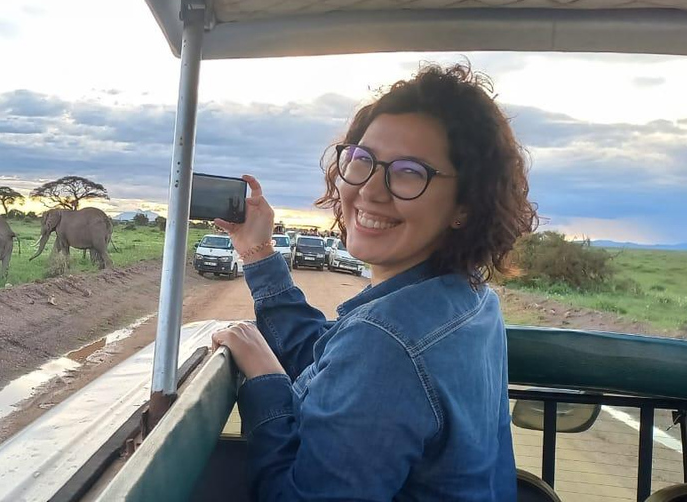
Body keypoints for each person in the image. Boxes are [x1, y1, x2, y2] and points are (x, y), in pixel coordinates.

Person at [212, 62, 538, 501]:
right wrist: (258, 253)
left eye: (409, 172)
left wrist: (265, 382)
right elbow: (342, 369)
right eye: (363, 161)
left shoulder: (387, 342)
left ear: (466, 204)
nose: (369, 190)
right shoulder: (469, 297)